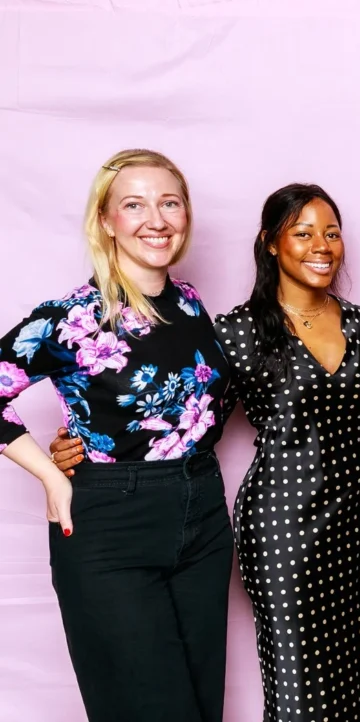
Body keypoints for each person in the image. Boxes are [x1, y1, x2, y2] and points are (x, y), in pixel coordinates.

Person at [52, 183, 360, 722]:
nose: (321, 246)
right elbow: (187, 421)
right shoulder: (237, 332)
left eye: (332, 233)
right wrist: (86, 441)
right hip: (285, 528)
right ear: (271, 243)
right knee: (299, 689)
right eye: (303, 233)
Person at [0, 149, 234, 721]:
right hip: (112, 526)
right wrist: (52, 475)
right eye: (134, 205)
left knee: (202, 706)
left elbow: (196, 410)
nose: (156, 219)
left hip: (203, 514)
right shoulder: (72, 318)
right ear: (105, 220)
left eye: (169, 203)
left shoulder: (190, 303)